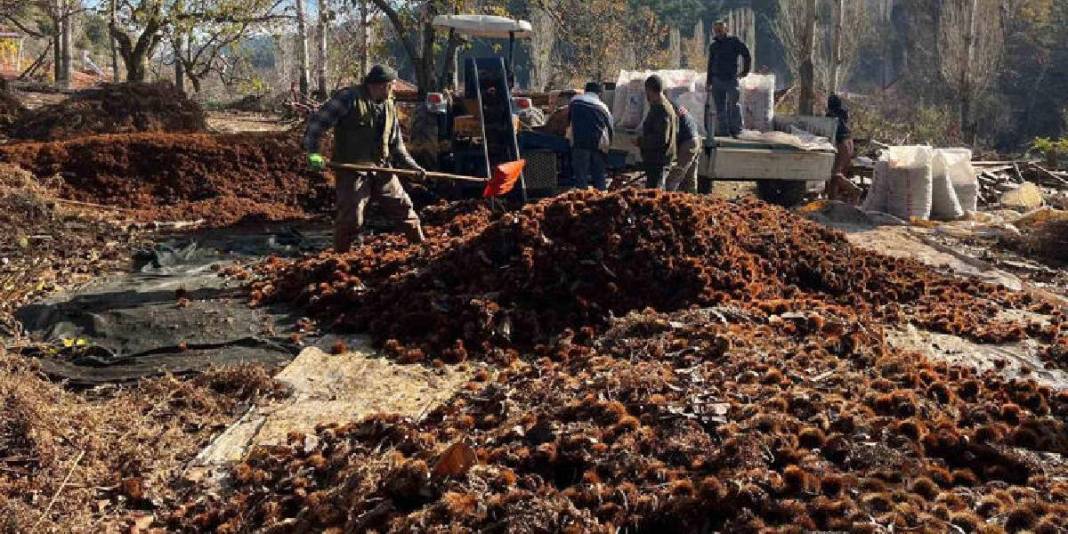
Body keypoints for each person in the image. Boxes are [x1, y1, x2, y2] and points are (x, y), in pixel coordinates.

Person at [304, 64, 427, 251]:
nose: (393, 90)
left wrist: (413, 167)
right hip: (352, 170)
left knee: (404, 209)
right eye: (392, 86)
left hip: (382, 168)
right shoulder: (348, 98)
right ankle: (340, 258)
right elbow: (316, 125)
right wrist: (313, 152)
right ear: (383, 85)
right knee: (351, 219)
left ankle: (423, 249)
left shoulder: (388, 105)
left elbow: (396, 145)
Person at [706, 20, 752, 137]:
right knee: (720, 107)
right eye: (716, 30)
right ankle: (724, 132)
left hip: (731, 79)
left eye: (720, 30)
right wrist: (708, 81)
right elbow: (710, 64)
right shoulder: (713, 46)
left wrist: (745, 71)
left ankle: (737, 130)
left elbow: (746, 54)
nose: (718, 32)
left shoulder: (734, 41)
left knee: (733, 105)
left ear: (725, 29)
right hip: (717, 80)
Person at [568, 82, 614, 190]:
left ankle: (582, 197)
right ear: (599, 93)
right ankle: (602, 196)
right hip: (597, 145)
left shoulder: (575, 101)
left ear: (585, 90)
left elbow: (569, 120)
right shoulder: (603, 107)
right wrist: (608, 148)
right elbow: (610, 129)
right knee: (599, 176)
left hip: (580, 144)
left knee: (581, 177)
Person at [637, 75, 678, 190]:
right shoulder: (662, 106)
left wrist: (640, 141)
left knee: (654, 193)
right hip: (658, 159)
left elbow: (661, 139)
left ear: (650, 90)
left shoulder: (661, 109)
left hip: (658, 160)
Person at [825, 94, 862, 202]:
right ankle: (832, 202)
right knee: (836, 176)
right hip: (849, 142)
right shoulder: (843, 113)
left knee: (834, 174)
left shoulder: (830, 115)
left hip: (841, 144)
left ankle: (855, 190)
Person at [666, 101, 702, 193]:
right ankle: (692, 196)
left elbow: (674, 133)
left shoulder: (670, 110)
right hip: (696, 139)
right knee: (690, 176)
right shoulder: (679, 108)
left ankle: (668, 195)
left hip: (688, 142)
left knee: (676, 174)